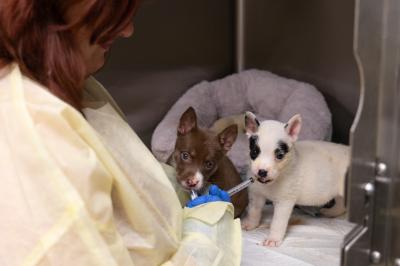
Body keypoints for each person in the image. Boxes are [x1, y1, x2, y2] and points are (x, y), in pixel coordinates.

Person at [0, 1, 241, 265]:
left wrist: (178, 188)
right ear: (43, 9)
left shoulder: (72, 80)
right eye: (110, 11)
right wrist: (205, 234)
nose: (127, 30)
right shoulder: (33, 130)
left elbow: (129, 179)